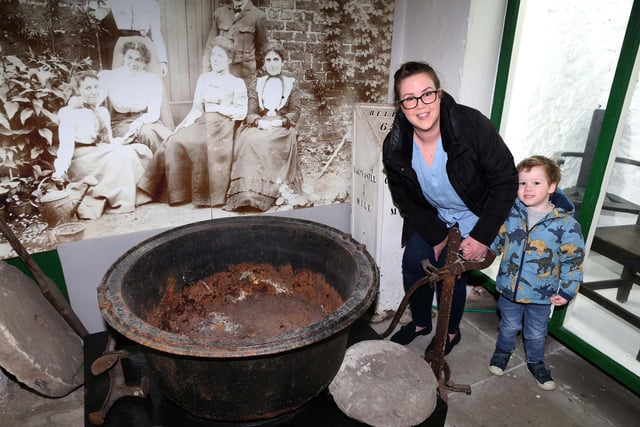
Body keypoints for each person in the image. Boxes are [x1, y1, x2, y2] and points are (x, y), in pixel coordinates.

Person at [382, 61, 518, 355]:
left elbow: (506, 180)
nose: (420, 105)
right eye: (409, 98)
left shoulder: (471, 127)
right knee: (413, 262)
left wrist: (482, 237)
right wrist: (436, 234)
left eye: (427, 94)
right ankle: (421, 322)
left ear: (439, 94)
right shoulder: (395, 145)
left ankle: (450, 331)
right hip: (434, 215)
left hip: (477, 213)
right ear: (401, 106)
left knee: (449, 271)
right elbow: (404, 197)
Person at [488, 155, 585, 391]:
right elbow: (497, 240)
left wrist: (567, 290)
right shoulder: (511, 214)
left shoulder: (566, 224)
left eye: (536, 183)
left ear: (552, 187)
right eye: (522, 183)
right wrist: (480, 251)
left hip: (542, 295)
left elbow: (573, 260)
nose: (527, 188)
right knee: (508, 325)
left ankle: (535, 361)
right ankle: (502, 352)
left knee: (535, 333)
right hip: (509, 288)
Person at [138, 36, 248, 207]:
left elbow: (241, 112)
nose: (215, 60)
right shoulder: (204, 79)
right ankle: (176, 194)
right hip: (203, 121)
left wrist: (219, 108)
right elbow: (197, 109)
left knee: (201, 144)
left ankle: (206, 196)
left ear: (230, 59)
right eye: (213, 56)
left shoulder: (237, 83)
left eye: (220, 56)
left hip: (224, 125)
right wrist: (182, 126)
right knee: (175, 141)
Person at [52, 70, 153, 217]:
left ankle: (139, 195)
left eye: (95, 87)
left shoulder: (102, 111)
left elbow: (108, 141)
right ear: (78, 90)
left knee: (139, 149)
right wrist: (60, 171)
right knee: (123, 155)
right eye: (88, 88)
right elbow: (66, 146)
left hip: (100, 150)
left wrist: (124, 140)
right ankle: (121, 201)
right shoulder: (69, 113)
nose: (93, 92)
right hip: (81, 157)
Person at [224, 44, 302, 212]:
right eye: (269, 60)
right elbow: (250, 112)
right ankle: (246, 194)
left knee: (266, 143)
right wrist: (259, 122)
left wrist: (281, 121)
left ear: (282, 62)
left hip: (281, 126)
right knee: (247, 140)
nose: (272, 64)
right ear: (264, 64)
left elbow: (296, 111)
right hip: (262, 122)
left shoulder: (291, 83)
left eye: (276, 60)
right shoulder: (257, 83)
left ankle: (265, 194)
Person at [98, 0, 175, 129]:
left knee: (152, 85)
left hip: (144, 45)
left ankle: (161, 128)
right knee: (120, 84)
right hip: (123, 46)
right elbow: (97, 15)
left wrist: (162, 60)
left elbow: (156, 33)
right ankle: (120, 128)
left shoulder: (151, 4)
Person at [98, 41, 173, 153]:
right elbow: (94, 100)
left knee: (167, 136)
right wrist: (76, 101)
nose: (133, 63)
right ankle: (159, 169)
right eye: (130, 57)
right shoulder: (110, 77)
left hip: (147, 120)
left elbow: (154, 113)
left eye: (138, 60)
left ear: (145, 63)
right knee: (147, 135)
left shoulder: (152, 80)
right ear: (124, 57)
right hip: (120, 122)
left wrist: (139, 122)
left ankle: (168, 167)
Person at [201, 0, 268, 91]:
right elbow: (210, 46)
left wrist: (251, 65)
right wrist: (206, 70)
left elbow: (263, 49)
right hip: (222, 74)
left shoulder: (258, 16)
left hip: (245, 76)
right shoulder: (220, 13)